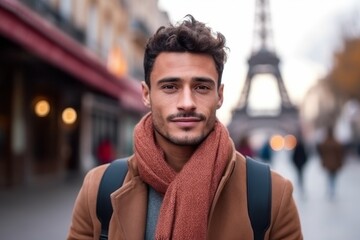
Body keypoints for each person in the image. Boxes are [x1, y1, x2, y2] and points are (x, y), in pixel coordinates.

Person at [67, 15, 302, 239]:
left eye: (201, 87)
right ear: (146, 94)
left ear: (220, 96)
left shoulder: (273, 196)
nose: (187, 103)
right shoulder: (98, 189)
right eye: (170, 87)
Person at [317, 125, 346, 199]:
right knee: (333, 177)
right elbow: (340, 153)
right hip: (335, 163)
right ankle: (332, 190)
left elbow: (321, 152)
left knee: (329, 176)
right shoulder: (336, 142)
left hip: (328, 163)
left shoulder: (325, 142)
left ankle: (330, 189)